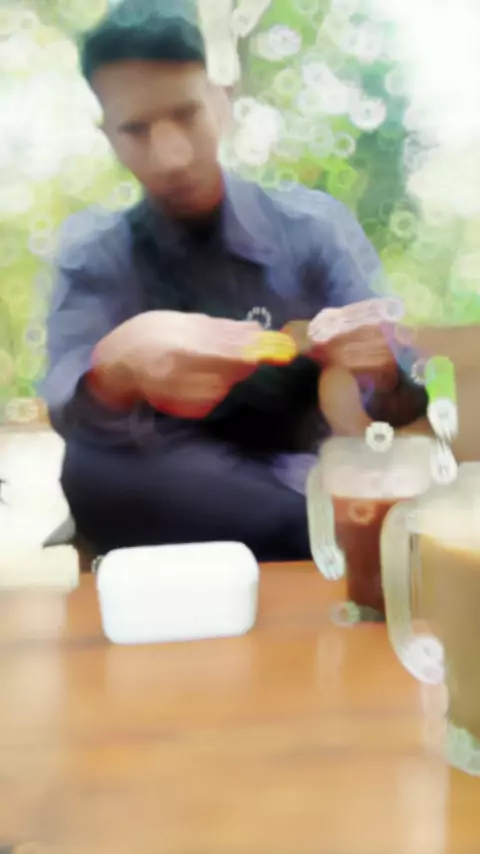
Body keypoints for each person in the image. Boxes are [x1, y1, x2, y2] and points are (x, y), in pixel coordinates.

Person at [42, 0, 429, 561]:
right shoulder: (93, 253)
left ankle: (324, 525)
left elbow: (402, 404)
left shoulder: (312, 227)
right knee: (90, 468)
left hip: (298, 470)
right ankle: (324, 531)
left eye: (186, 114)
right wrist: (116, 370)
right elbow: (68, 407)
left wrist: (382, 368)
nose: (172, 156)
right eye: (136, 129)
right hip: (167, 476)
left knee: (368, 471)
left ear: (220, 101)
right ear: (108, 136)